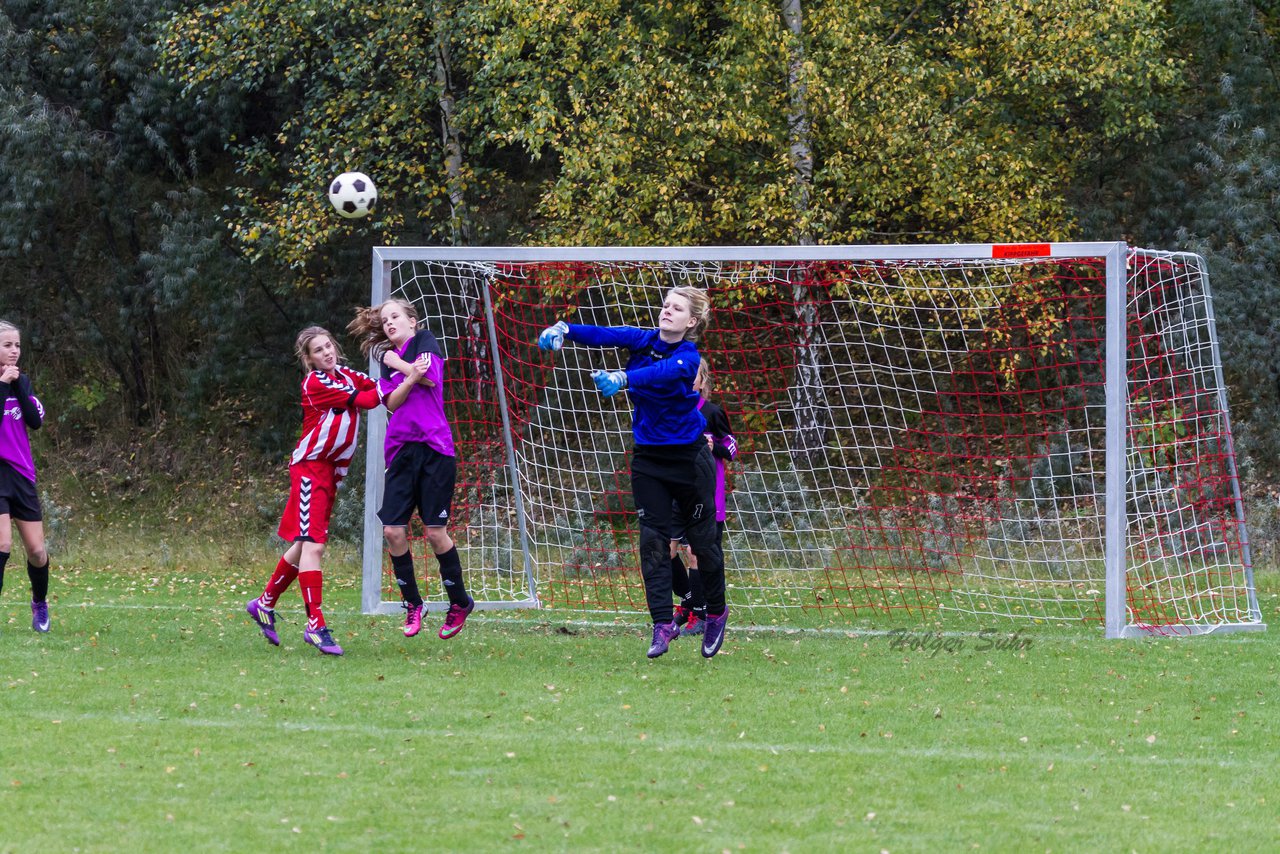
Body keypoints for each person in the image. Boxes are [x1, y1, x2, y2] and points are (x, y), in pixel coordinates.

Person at [537, 287, 729, 658]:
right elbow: (605, 334)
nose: (667, 311)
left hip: (690, 461)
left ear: (691, 321)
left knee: (703, 546)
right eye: (666, 305)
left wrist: (624, 379)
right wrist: (565, 328)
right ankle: (660, 625)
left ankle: (717, 612)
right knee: (652, 543)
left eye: (677, 308)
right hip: (649, 459)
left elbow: (659, 373)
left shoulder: (688, 357)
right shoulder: (642, 339)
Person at [246, 326, 381, 656]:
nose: (327, 353)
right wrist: (400, 377)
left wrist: (393, 376)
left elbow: (373, 386)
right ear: (308, 360)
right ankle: (315, 625)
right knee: (315, 547)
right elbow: (368, 398)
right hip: (310, 468)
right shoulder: (317, 383)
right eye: (319, 351)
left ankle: (264, 604)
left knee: (305, 543)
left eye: (329, 346)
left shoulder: (344, 373)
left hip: (330, 471)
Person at [348, 299, 474, 640]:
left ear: (412, 321)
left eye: (395, 317)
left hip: (435, 449)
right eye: (384, 319)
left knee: (435, 533)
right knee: (392, 531)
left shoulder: (424, 342)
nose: (389, 323)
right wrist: (407, 372)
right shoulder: (390, 360)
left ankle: (460, 603)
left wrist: (399, 364)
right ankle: (413, 604)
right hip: (401, 450)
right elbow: (391, 401)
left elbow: (430, 378)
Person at [671, 359, 737, 637]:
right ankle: (689, 600)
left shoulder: (712, 413)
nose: (688, 379)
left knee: (698, 553)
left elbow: (731, 447)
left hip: (708, 497)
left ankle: (702, 615)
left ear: (702, 380)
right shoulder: (671, 411)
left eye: (693, 375)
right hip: (675, 493)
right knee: (665, 549)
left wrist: (714, 446)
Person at [0, 321, 50, 633]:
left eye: (17, 345)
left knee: (37, 551)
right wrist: (3, 383)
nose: (14, 351)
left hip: (21, 473)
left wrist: (17, 385)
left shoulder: (23, 382)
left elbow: (35, 422)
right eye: (7, 345)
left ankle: (40, 603)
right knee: (2, 544)